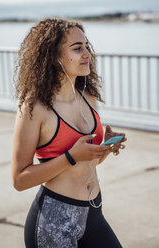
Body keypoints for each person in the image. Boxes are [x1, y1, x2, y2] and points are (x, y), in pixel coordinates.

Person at [11, 17, 127, 248]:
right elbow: (19, 180)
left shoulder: (88, 96)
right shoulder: (35, 107)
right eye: (77, 48)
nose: (87, 54)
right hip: (54, 221)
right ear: (53, 57)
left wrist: (104, 149)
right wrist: (71, 156)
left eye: (87, 46)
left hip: (94, 213)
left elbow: (87, 165)